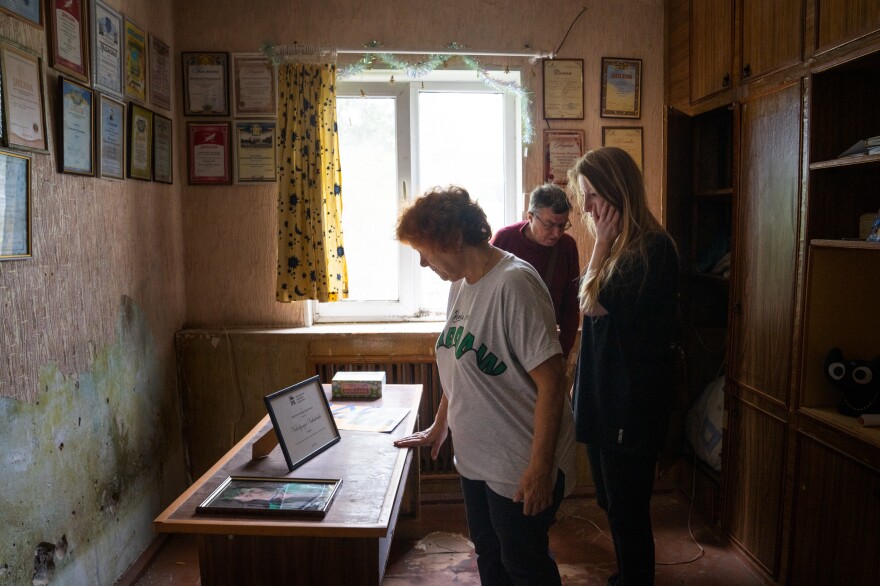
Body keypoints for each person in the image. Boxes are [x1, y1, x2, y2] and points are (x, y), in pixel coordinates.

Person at [393, 185, 577, 585]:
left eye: (425, 251)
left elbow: (553, 381)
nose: (424, 264)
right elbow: (462, 359)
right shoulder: (461, 282)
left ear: (453, 240)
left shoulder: (515, 284)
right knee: (490, 556)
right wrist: (442, 423)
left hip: (518, 463)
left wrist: (541, 470)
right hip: (478, 458)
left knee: (524, 565)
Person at [567, 147, 680, 586]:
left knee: (628, 508)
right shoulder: (622, 248)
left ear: (618, 190)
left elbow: (590, 304)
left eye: (594, 195)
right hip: (604, 398)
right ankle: (627, 576)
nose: (589, 207)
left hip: (630, 406)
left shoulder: (650, 249)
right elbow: (595, 324)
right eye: (585, 197)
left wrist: (599, 243)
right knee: (612, 502)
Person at [491, 184, 580, 358]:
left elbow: (571, 306)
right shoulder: (504, 239)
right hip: (504, 344)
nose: (556, 233)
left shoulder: (567, 246)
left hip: (545, 345)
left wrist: (562, 354)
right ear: (530, 216)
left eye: (562, 226)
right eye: (549, 225)